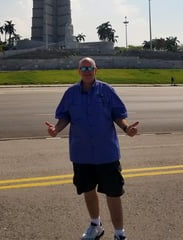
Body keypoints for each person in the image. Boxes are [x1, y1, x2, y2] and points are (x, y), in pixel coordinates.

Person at [45, 57, 139, 240]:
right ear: (79, 71)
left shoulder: (107, 90)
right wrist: (56, 129)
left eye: (90, 68)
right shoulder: (71, 93)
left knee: (113, 193)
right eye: (84, 68)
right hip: (82, 153)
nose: (87, 71)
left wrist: (127, 129)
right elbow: (64, 116)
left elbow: (118, 115)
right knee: (88, 190)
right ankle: (96, 225)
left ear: (96, 70)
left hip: (106, 152)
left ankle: (120, 234)